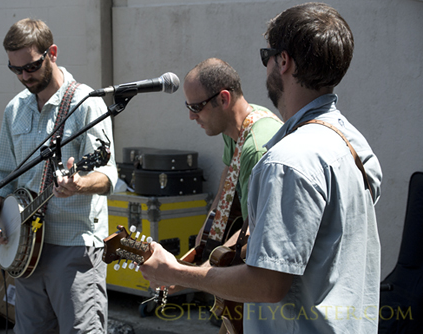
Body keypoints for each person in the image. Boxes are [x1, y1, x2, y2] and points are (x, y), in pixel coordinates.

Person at [140, 3, 383, 334]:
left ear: (283, 61)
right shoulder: (352, 142)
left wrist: (176, 273)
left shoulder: (287, 161)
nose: (265, 66)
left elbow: (267, 285)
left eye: (265, 56)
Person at [0, 18, 117, 333]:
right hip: (25, 250)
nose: (24, 76)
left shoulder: (86, 103)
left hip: (74, 247)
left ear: (51, 53)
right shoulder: (14, 109)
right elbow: (3, 172)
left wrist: (79, 184)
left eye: (30, 67)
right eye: (15, 70)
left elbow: (108, 175)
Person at [183, 58, 282, 256]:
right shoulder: (235, 127)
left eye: (196, 108)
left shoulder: (255, 150)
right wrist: (210, 225)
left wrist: (206, 270)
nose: (191, 117)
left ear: (223, 99)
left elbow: (256, 232)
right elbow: (229, 171)